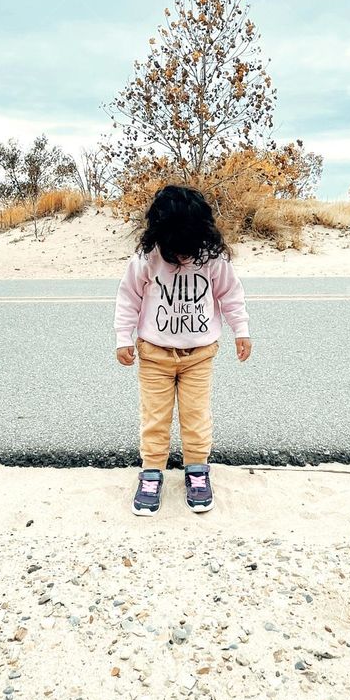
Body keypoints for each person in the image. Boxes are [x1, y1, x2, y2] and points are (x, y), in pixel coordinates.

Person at [114, 184, 252, 516]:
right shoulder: (147, 258)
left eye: (186, 249)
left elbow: (230, 295)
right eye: (173, 249)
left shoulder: (212, 258)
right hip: (154, 355)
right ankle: (151, 473)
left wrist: (241, 330)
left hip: (199, 356)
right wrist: (123, 336)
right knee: (155, 418)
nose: (180, 257)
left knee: (195, 417)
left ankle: (197, 471)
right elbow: (128, 297)